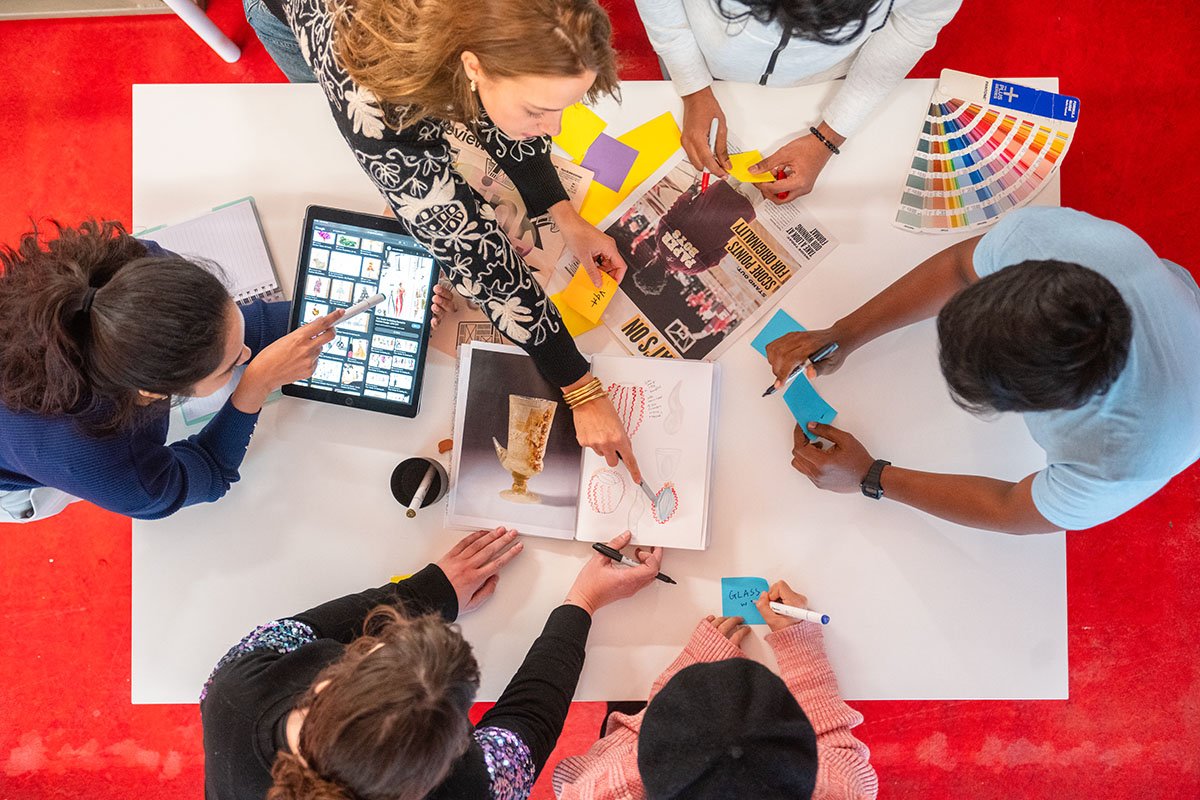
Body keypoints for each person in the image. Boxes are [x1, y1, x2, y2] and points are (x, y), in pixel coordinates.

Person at [241, 0, 647, 482]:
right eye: (539, 110)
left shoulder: (512, 22)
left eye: (564, 109)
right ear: (472, 65)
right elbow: (483, 267)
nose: (555, 129)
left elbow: (499, 110)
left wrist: (562, 213)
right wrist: (582, 389)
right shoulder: (377, 104)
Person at [768, 207, 1200, 533]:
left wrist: (871, 475)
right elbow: (960, 269)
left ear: (1049, 406)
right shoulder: (1039, 237)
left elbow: (1011, 508)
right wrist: (847, 332)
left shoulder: (1126, 456)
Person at [202, 528, 664, 800]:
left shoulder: (234, 688)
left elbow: (307, 625)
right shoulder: (463, 790)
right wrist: (582, 601)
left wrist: (435, 588)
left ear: (325, 686)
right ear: (441, 762)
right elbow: (526, 723)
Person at [0, 220, 341, 522]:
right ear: (153, 392)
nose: (248, 355)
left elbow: (213, 332)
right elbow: (208, 469)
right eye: (228, 367)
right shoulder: (113, 468)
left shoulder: (141, 264)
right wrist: (256, 385)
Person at [552, 579, 877, 799]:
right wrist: (799, 648)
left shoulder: (604, 789)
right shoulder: (833, 789)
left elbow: (583, 777)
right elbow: (845, 766)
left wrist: (686, 667)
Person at [634, 0, 960, 202]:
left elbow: (914, 22)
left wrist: (830, 135)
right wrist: (692, 84)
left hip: (825, 83)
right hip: (699, 56)